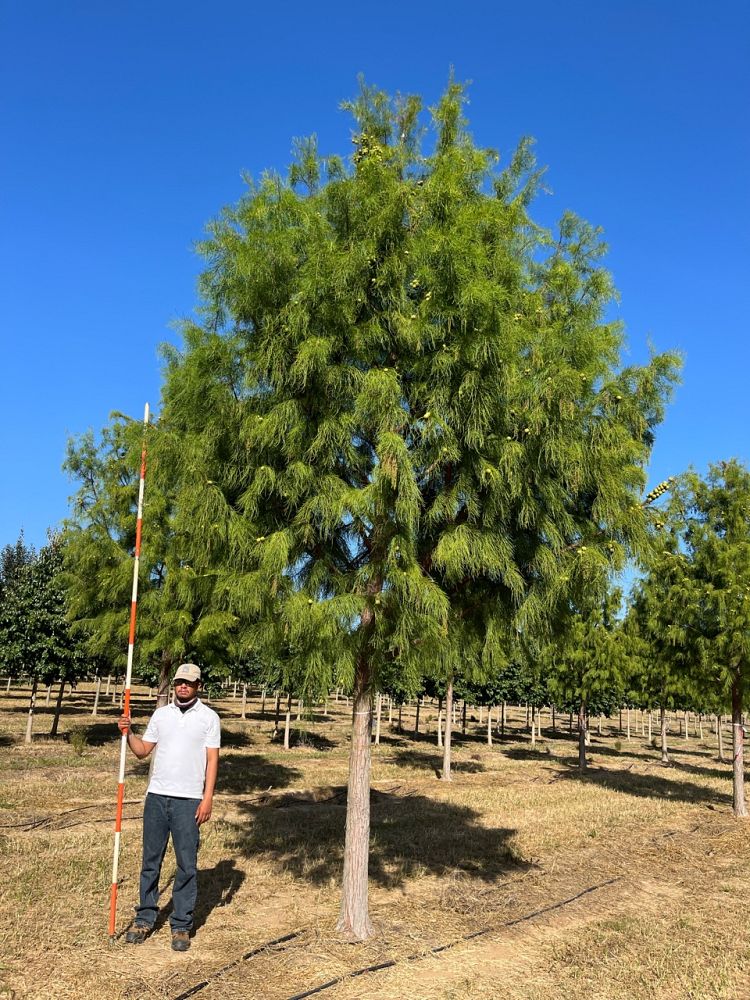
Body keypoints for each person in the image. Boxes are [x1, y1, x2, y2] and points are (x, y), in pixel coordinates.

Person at [117, 663, 220, 952]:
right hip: (157, 798)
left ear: (198, 685)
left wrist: (207, 797)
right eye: (178, 683)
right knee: (151, 861)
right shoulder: (161, 715)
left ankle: (181, 925)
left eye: (188, 683)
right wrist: (128, 733)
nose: (182, 687)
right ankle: (145, 917)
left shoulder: (209, 718)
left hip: (189, 801)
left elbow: (213, 760)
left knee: (186, 864)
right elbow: (142, 752)